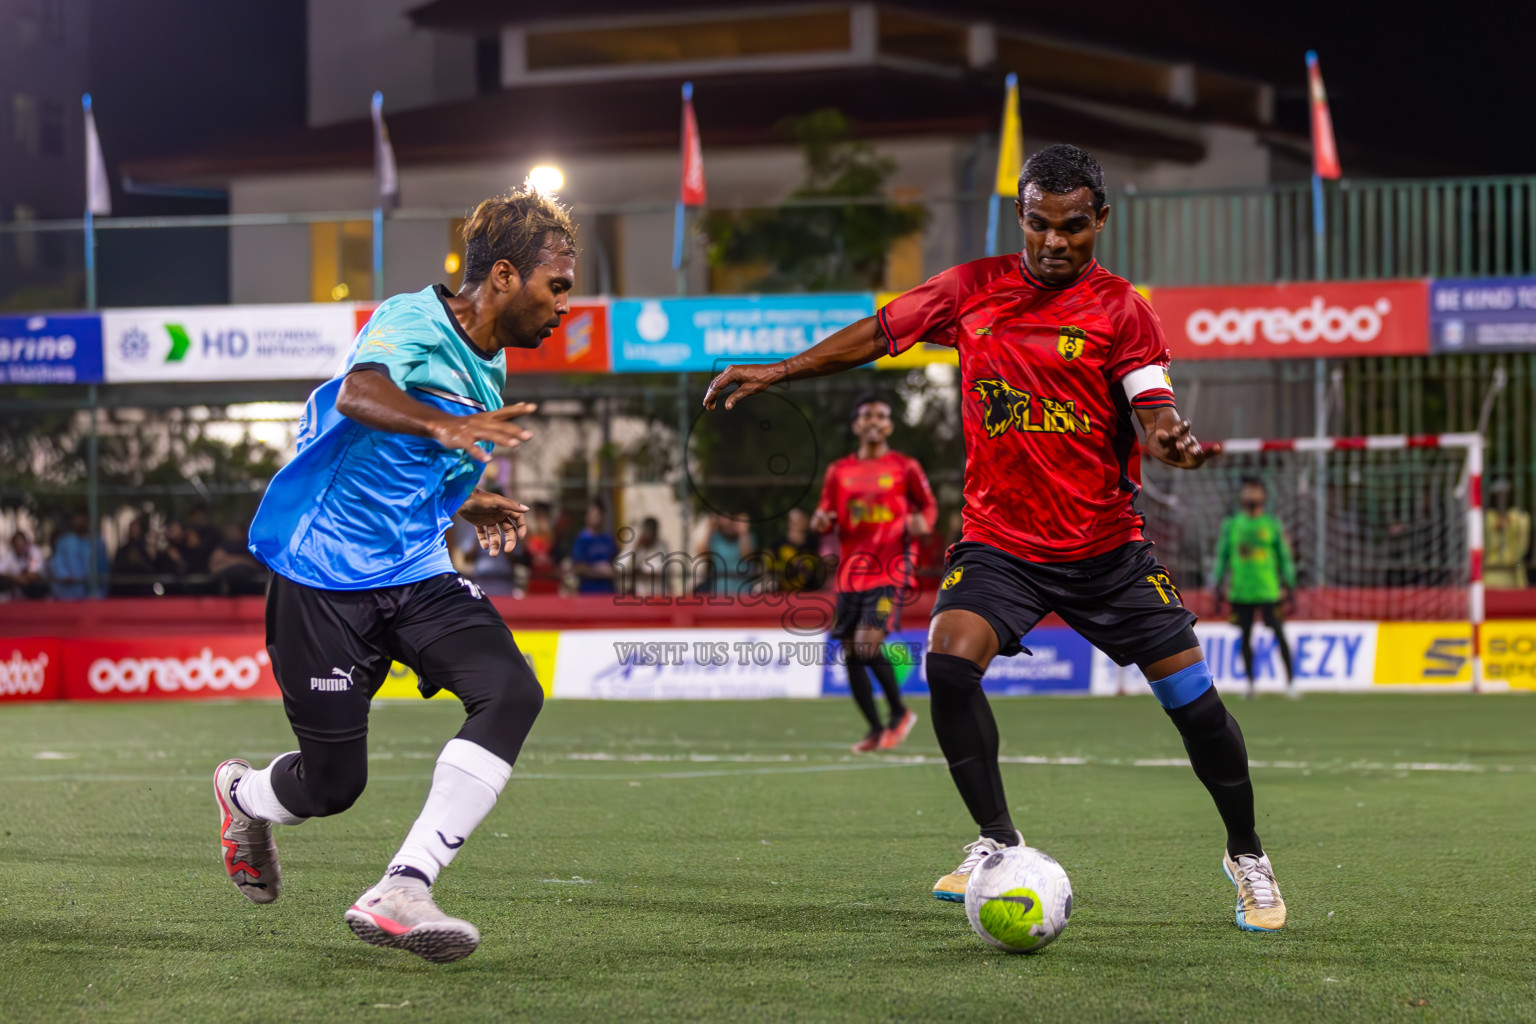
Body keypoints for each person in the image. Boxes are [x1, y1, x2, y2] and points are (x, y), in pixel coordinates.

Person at [705, 144, 1285, 932]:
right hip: (1002, 544)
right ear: (1021, 217)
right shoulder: (970, 289)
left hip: (1106, 551)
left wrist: (1170, 436)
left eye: (1074, 227)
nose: (1055, 243)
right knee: (947, 661)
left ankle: (1246, 854)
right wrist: (780, 369)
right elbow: (880, 332)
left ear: (1101, 221)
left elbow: (1153, 404)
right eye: (1040, 225)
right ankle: (996, 838)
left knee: (1196, 707)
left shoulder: (1123, 309)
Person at [217, 187, 576, 963]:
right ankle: (243, 795)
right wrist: (445, 424)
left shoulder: (491, 361)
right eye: (559, 285)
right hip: (323, 578)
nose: (565, 305)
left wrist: (471, 498)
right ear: (506, 276)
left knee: (513, 689)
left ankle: (404, 886)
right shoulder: (412, 319)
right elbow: (361, 392)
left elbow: (416, 462)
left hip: (415, 573)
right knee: (331, 787)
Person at [812, 395, 936, 753]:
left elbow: (927, 505)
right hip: (852, 573)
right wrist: (822, 521)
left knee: (867, 645)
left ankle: (900, 714)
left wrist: (922, 522)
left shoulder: (905, 467)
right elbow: (825, 513)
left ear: (889, 426)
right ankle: (875, 728)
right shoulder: (839, 471)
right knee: (851, 652)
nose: (873, 421)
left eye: (881, 416)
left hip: (891, 569)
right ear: (856, 425)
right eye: (866, 415)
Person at [1213, 478, 1297, 697]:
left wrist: (1290, 583)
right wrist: (1217, 584)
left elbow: (1284, 557)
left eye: (1255, 491)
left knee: (1279, 633)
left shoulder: (1271, 524)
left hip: (1268, 589)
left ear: (1263, 496)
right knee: (1245, 635)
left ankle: (1290, 683)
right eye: (1247, 491)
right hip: (1241, 591)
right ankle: (1250, 683)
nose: (1250, 496)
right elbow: (1222, 556)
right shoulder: (1232, 525)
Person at [1483, 479, 1530, 590]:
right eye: (1498, 494)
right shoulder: (1487, 518)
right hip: (1490, 572)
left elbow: (1522, 545)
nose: (1501, 497)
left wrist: (1510, 523)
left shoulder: (1519, 517)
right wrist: (1496, 525)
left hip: (1514, 571)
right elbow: (1487, 542)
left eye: (1505, 494)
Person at [694, 511, 755, 596]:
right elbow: (701, 552)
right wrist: (709, 528)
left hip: (743, 593)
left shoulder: (747, 538)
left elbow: (747, 556)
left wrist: (743, 532)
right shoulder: (716, 538)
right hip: (720, 594)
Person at [48, 512, 107, 600]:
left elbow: (102, 565)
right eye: (78, 520)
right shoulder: (65, 541)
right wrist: (66, 577)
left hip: (92, 593)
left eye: (83, 520)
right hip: (68, 593)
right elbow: (57, 562)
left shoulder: (97, 542)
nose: (80, 523)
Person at [568, 497, 618, 595]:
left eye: (598, 515)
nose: (596, 519)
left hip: (608, 593)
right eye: (593, 515)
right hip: (588, 593)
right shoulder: (581, 540)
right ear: (587, 517)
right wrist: (598, 571)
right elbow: (578, 567)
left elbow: (616, 564)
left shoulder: (608, 539)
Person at [769, 507, 824, 592]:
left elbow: (819, 568)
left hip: (809, 593)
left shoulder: (814, 542)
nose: (798, 523)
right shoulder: (778, 544)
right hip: (784, 593)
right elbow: (769, 568)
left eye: (801, 520)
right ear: (789, 522)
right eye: (795, 521)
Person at [616, 516, 670, 597]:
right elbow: (620, 567)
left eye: (652, 532)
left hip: (659, 595)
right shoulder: (635, 545)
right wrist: (636, 549)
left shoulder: (662, 546)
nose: (649, 535)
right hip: (640, 595)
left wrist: (640, 573)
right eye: (647, 531)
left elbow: (663, 571)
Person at [109, 517, 156, 596]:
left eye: (136, 528)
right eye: (132, 528)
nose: (134, 530)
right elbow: (117, 570)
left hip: (143, 593)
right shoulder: (122, 550)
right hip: (125, 593)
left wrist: (141, 560)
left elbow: (151, 571)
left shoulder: (146, 550)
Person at [0, 529, 47, 600]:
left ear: (26, 543)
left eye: (21, 543)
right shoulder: (10, 555)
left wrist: (19, 578)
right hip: (16, 590)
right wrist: (15, 578)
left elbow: (33, 575)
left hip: (35, 590)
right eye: (16, 544)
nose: (19, 547)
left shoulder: (34, 551)